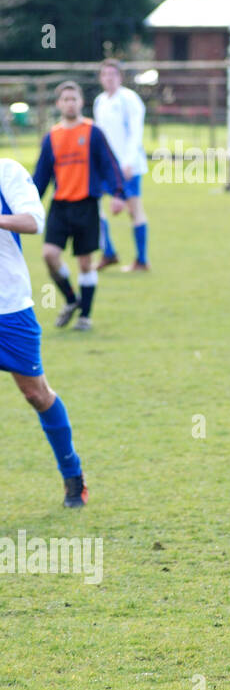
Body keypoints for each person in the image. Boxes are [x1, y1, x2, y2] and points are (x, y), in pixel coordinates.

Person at [0, 158, 89, 507]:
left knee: (36, 394)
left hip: (9, 307)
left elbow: (34, 221)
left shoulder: (6, 171)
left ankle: (72, 473)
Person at [32, 81, 123, 332]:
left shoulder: (93, 132)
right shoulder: (52, 137)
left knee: (85, 263)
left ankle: (85, 316)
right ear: (58, 104)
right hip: (60, 206)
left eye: (74, 98)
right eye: (65, 99)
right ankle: (71, 300)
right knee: (49, 255)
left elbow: (109, 164)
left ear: (81, 102)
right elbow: (40, 176)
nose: (70, 103)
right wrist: (27, 204)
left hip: (87, 204)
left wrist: (117, 193)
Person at [92, 59, 150, 272]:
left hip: (128, 166)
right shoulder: (100, 101)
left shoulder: (129, 99)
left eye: (113, 75)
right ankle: (108, 252)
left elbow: (136, 132)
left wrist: (127, 162)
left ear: (120, 77)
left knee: (134, 210)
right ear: (101, 78)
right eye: (105, 74)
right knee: (93, 206)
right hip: (105, 167)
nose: (109, 78)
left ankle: (142, 260)